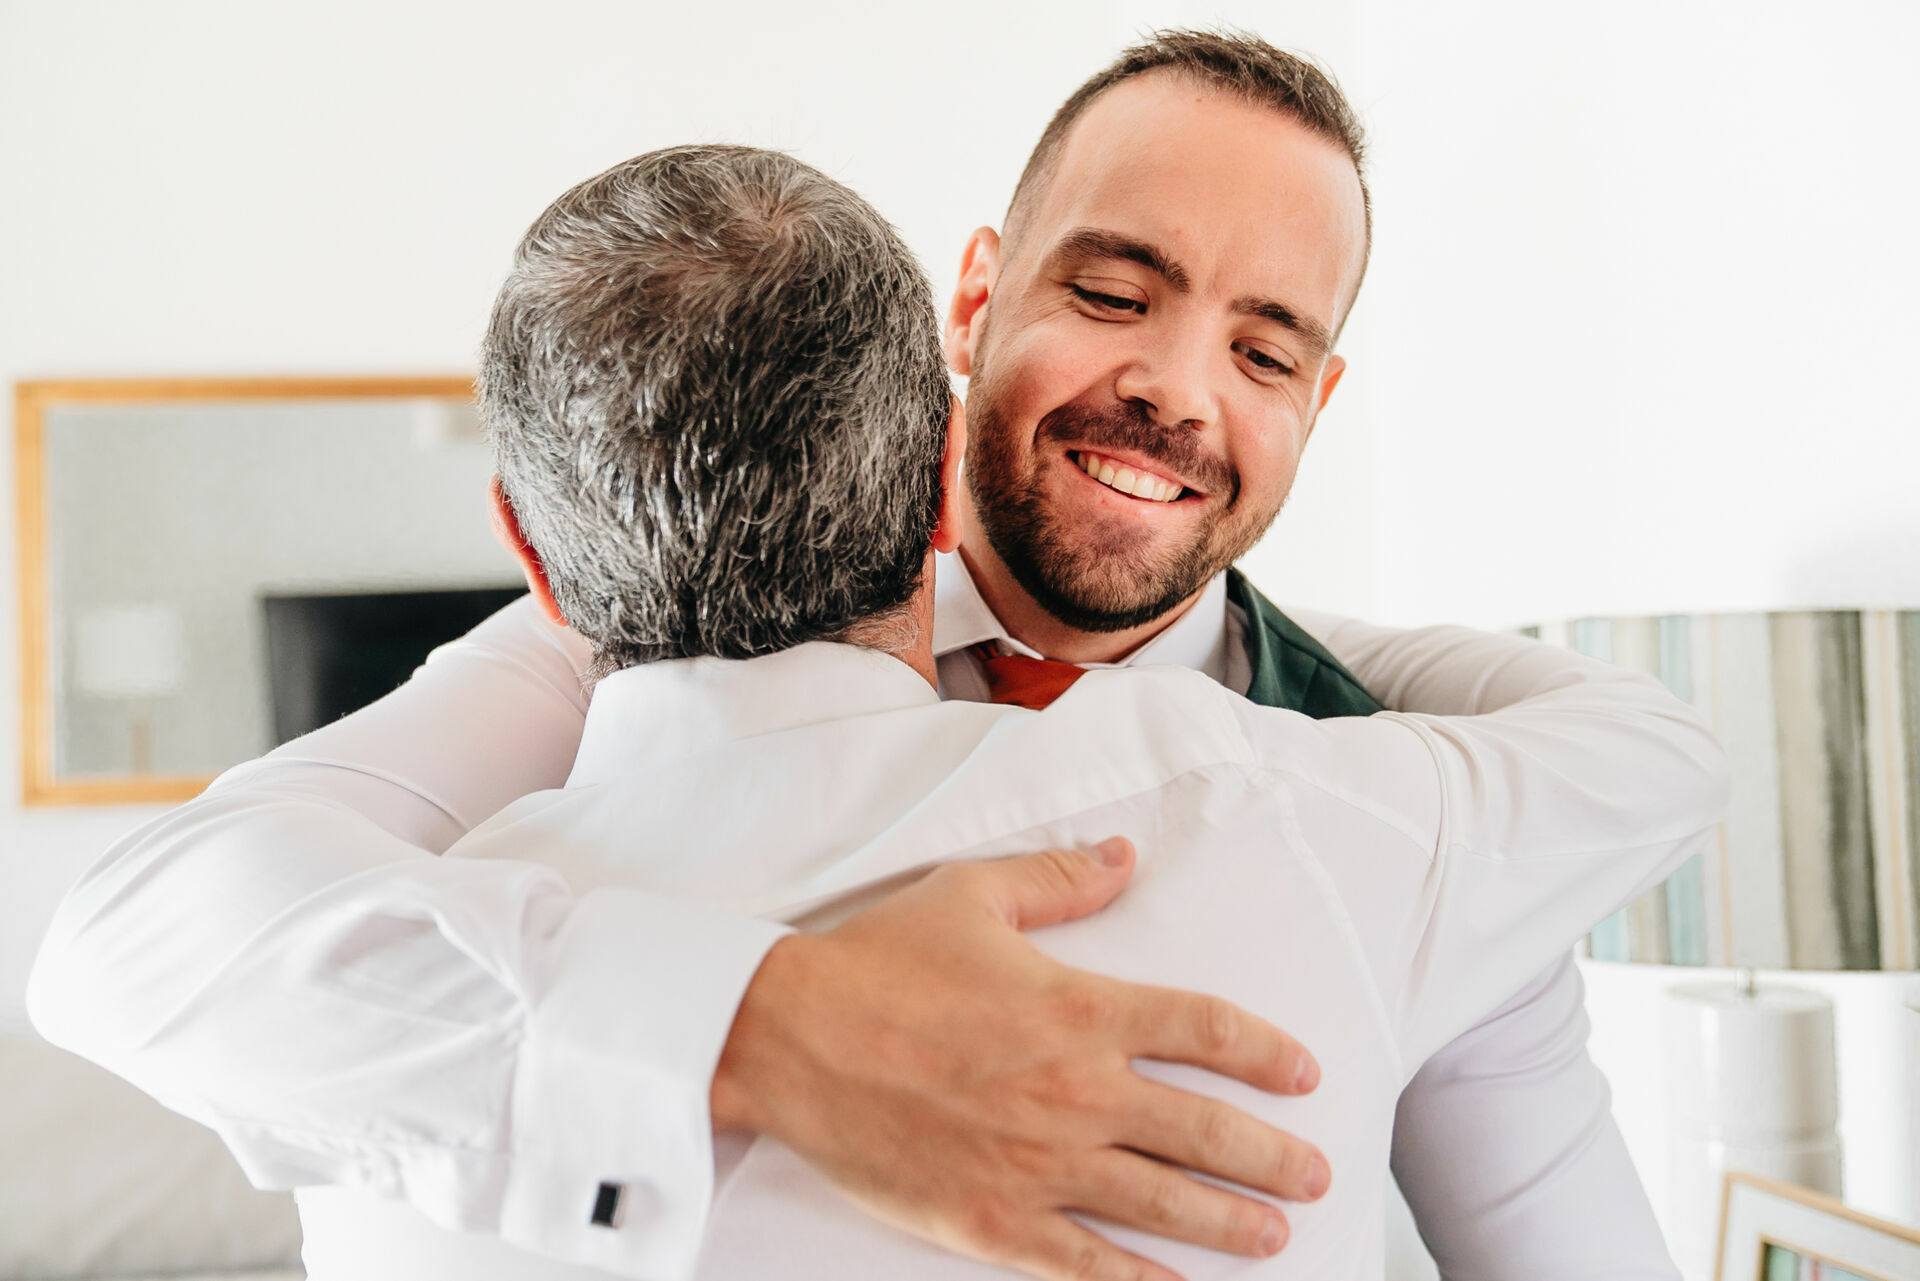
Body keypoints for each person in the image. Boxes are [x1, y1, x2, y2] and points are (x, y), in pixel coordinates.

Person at [30, 31, 1691, 1281]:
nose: (1181, 389)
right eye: (1115, 291)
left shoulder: (1384, 801)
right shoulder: (605, 648)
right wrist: (762, 1030)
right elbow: (146, 939)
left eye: (1264, 347)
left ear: (1316, 406)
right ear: (974, 306)